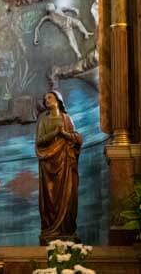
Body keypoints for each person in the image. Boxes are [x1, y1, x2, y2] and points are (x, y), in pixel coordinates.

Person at [35, 90, 82, 244]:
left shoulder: (66, 118)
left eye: (50, 97)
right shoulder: (43, 119)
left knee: (67, 195)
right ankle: (50, 229)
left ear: (58, 100)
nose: (47, 100)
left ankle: (66, 230)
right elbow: (39, 141)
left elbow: (77, 139)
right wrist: (55, 133)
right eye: (45, 98)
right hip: (48, 164)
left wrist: (65, 135)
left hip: (66, 162)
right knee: (50, 197)